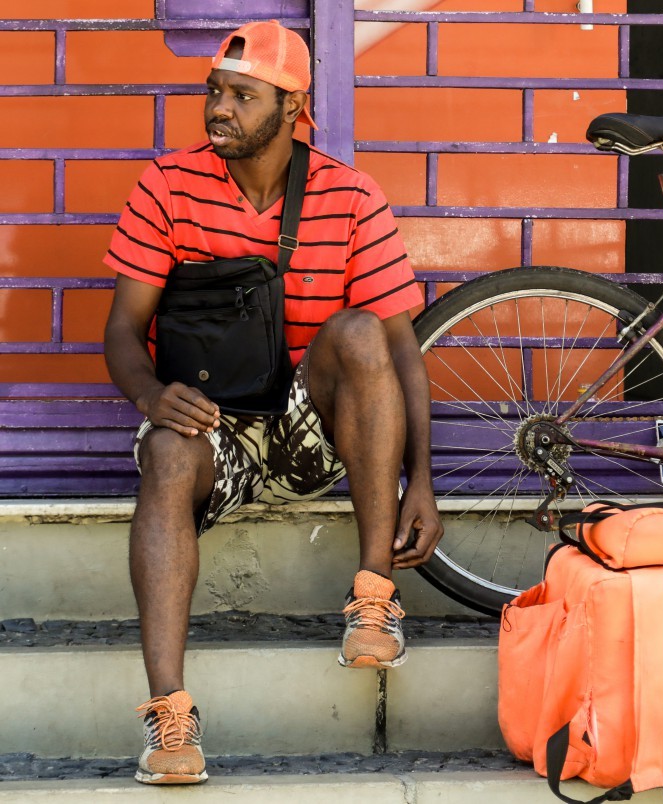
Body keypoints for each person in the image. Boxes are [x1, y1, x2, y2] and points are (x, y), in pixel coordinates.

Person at [101, 20, 444, 785]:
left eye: (241, 95)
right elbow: (122, 331)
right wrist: (155, 395)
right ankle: (170, 717)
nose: (218, 109)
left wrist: (421, 479)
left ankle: (372, 594)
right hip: (208, 433)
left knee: (360, 331)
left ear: (291, 108)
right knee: (162, 450)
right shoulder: (167, 185)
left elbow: (399, 354)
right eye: (214, 92)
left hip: (310, 436)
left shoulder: (351, 197)